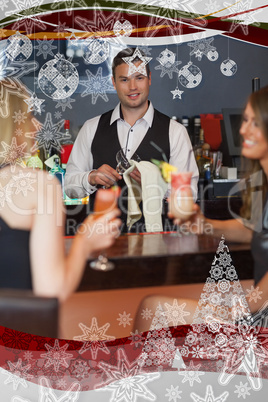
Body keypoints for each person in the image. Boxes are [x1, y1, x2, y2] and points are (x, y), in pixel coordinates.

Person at [134, 85, 268, 332]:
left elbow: (257, 301)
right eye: (244, 120)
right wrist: (201, 223)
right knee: (153, 309)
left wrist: (228, 311)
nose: (242, 129)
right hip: (257, 312)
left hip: (260, 321)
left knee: (154, 310)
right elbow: (255, 231)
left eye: (254, 123)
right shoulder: (264, 185)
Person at [0, 83, 121, 302]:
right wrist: (84, 241)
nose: (37, 125)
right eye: (29, 116)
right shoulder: (39, 185)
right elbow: (51, 293)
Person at [64, 47, 199, 232]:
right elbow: (69, 186)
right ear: (113, 82)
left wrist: (154, 184)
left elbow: (188, 194)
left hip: (159, 242)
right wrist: (91, 177)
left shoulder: (175, 132)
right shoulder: (91, 128)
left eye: (139, 78)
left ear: (150, 79)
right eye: (124, 79)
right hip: (103, 241)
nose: (133, 86)